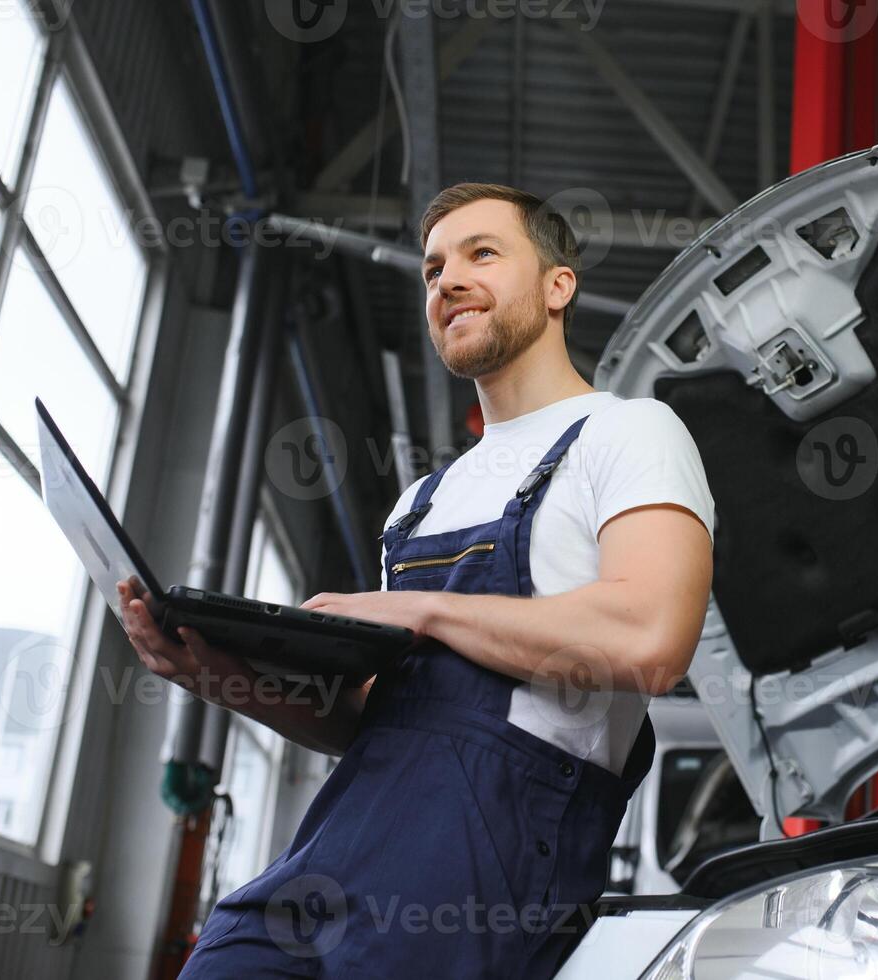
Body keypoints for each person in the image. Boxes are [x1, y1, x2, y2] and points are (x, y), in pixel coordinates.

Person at [118, 182, 715, 977]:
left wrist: (418, 608)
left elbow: (650, 637)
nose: (446, 280)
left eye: (482, 254)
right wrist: (223, 678)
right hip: (344, 834)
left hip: (485, 856)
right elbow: (383, 720)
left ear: (557, 285)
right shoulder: (419, 502)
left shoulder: (625, 431)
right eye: (432, 268)